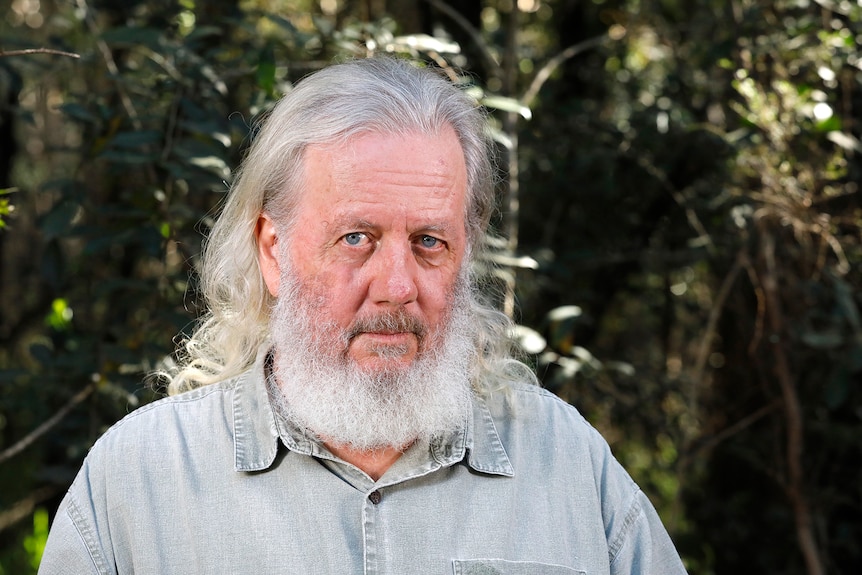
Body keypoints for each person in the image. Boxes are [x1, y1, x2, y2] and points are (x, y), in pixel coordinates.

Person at [39, 57, 687, 574]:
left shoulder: (568, 467)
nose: (398, 285)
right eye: (357, 238)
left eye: (430, 242)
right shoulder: (139, 481)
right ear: (273, 250)